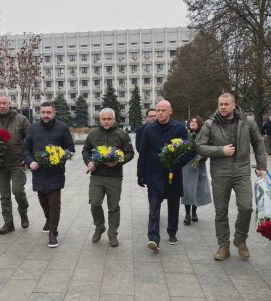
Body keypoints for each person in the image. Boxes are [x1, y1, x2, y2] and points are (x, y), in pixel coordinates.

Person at [197, 92, 267, 261]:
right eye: (220, 104)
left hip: (242, 171)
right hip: (220, 172)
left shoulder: (247, 122)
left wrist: (262, 166)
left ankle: (240, 239)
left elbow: (258, 143)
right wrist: (221, 151)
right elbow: (199, 146)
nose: (223, 107)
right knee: (221, 211)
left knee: (246, 207)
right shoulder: (210, 124)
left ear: (234, 105)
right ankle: (223, 245)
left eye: (226, 104)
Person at [137, 100, 195, 252]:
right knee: (154, 206)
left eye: (163, 110)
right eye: (158, 110)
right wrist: (140, 174)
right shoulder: (149, 129)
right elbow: (143, 152)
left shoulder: (179, 128)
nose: (160, 113)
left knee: (173, 205)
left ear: (170, 111)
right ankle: (153, 238)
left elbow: (190, 149)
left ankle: (172, 232)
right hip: (154, 174)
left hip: (173, 173)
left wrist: (178, 161)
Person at [22, 101, 75, 248]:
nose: (45, 115)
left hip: (55, 172)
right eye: (43, 112)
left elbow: (70, 148)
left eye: (48, 113)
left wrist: (59, 156)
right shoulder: (33, 128)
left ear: (54, 113)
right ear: (40, 113)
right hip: (38, 172)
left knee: (54, 203)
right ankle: (48, 219)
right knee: (43, 200)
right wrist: (30, 162)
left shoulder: (62, 128)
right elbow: (26, 148)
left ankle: (53, 232)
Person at [82, 108, 134, 247]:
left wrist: (118, 161)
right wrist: (89, 162)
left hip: (114, 177)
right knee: (94, 203)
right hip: (97, 176)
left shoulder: (121, 134)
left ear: (114, 119)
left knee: (113, 207)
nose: (106, 121)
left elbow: (130, 153)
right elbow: (85, 150)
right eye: (103, 119)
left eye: (108, 119)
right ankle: (99, 226)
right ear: (99, 120)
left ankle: (112, 234)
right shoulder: (93, 134)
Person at [0, 95, 30, 234]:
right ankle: (8, 222)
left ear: (9, 103)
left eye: (4, 103)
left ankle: (23, 212)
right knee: (4, 195)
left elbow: (29, 139)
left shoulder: (21, 119)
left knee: (18, 191)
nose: (2, 105)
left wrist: (26, 156)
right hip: (0, 164)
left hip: (17, 162)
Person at [181, 115, 212, 225]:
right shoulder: (184, 134)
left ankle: (194, 212)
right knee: (187, 190)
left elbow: (207, 148)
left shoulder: (203, 136)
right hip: (187, 165)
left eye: (196, 122)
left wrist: (203, 155)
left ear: (199, 124)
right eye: (191, 121)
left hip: (199, 165)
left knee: (198, 189)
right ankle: (187, 214)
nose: (193, 123)